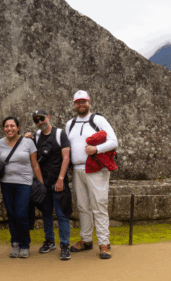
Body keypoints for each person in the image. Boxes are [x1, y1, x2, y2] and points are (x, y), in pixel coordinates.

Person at [65, 90, 118, 259]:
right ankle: (86, 240)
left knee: (99, 205)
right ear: (74, 104)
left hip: (96, 169)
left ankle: (104, 243)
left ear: (89, 102)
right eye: (78, 102)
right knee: (82, 207)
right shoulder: (70, 124)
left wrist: (96, 149)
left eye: (84, 101)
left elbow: (113, 141)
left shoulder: (98, 120)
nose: (81, 104)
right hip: (78, 169)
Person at [25, 109, 72, 260]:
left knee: (61, 214)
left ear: (48, 118)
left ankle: (65, 245)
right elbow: (33, 159)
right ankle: (49, 241)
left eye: (42, 119)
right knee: (46, 214)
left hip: (58, 180)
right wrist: (24, 138)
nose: (40, 122)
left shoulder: (60, 134)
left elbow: (66, 158)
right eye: (36, 121)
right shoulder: (37, 136)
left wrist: (60, 179)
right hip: (43, 181)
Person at [0, 116, 43, 259]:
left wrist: (41, 184)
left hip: (24, 182)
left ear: (18, 127)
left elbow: (35, 163)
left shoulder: (28, 142)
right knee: (11, 214)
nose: (9, 129)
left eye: (12, 126)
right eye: (6, 126)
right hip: (6, 182)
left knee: (21, 213)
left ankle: (25, 244)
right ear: (3, 128)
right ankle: (15, 243)